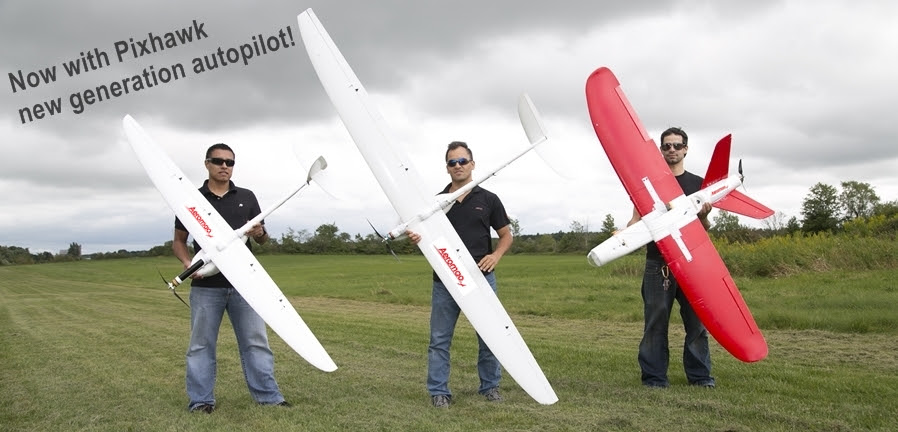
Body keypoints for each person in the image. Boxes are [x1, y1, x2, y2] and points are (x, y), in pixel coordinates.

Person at [172, 143, 289, 413]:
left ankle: (269, 398)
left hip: (245, 285)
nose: (225, 166)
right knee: (201, 345)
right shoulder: (192, 200)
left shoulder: (247, 197)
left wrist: (259, 233)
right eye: (218, 161)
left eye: (230, 162)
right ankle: (201, 401)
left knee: (256, 342)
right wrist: (189, 264)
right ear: (207, 164)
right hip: (205, 287)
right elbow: (179, 241)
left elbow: (262, 240)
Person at [407, 141, 513, 408]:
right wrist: (416, 238)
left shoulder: (489, 199)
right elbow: (424, 238)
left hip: (480, 278)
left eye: (463, 161)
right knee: (440, 339)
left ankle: (490, 386)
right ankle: (438, 391)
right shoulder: (434, 203)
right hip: (444, 280)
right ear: (447, 168)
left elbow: (506, 235)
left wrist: (495, 255)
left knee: (490, 335)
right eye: (452, 163)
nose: (458, 166)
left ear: (472, 164)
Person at [628, 127, 716, 389]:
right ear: (661, 150)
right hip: (659, 263)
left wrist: (703, 215)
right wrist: (625, 234)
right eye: (667, 146)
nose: (672, 150)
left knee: (697, 323)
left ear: (686, 149)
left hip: (692, 263)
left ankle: (700, 378)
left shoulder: (699, 184)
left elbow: (706, 227)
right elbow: (635, 221)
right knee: (655, 321)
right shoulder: (649, 185)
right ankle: (654, 379)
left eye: (677, 146)